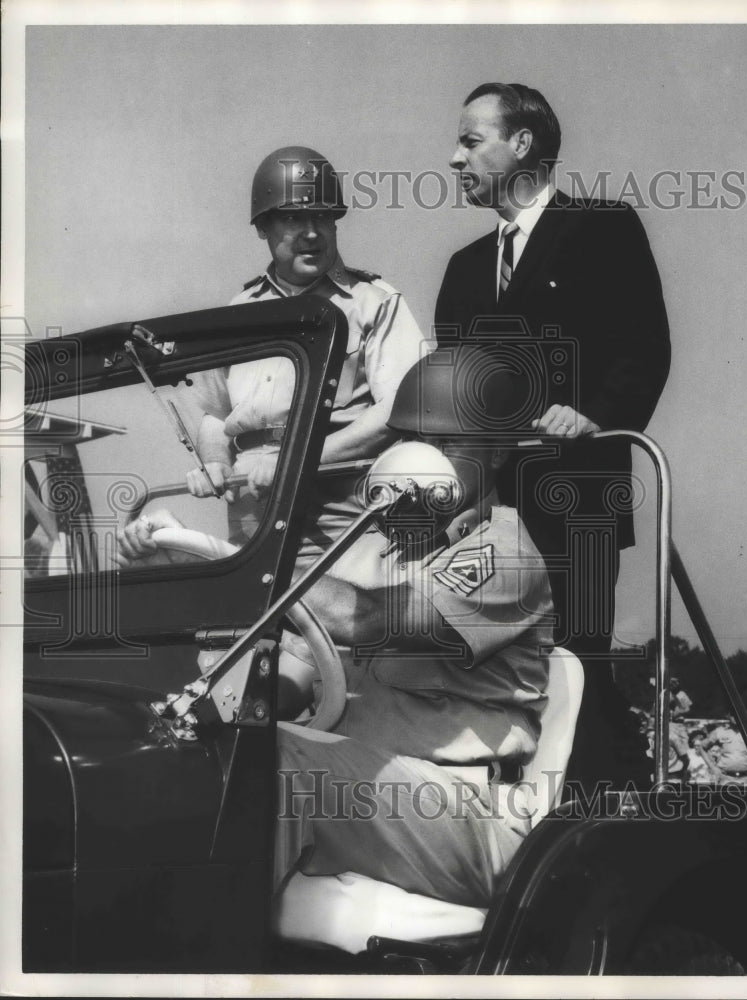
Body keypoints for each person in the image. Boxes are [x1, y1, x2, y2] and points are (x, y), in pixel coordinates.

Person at [116, 347, 556, 906]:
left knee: (273, 763)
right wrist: (179, 571)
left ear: (495, 453)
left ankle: (214, 961)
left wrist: (224, 561)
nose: (425, 461)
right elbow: (293, 677)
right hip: (361, 790)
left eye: (448, 444)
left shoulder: (503, 553)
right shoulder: (369, 548)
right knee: (199, 749)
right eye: (413, 442)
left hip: (462, 809)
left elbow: (372, 621)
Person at [435, 82, 671, 790]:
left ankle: (618, 828)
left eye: (471, 140)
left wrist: (592, 414)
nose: (454, 158)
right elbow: (458, 405)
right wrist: (464, 494)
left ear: (522, 144)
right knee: (492, 672)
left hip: (579, 502)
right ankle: (525, 835)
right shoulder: (463, 270)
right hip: (489, 516)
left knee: (574, 667)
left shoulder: (603, 228)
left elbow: (643, 350)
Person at [187, 145, 428, 571]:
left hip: (343, 517)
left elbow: (400, 409)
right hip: (251, 515)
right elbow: (213, 415)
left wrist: (293, 460)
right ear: (263, 227)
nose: (312, 231)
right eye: (293, 218)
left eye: (322, 216)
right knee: (250, 631)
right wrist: (213, 464)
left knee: (342, 630)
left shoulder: (374, 303)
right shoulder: (235, 312)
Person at [695, 721, 747, 785]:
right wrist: (713, 768)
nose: (734, 717)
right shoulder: (719, 732)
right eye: (732, 714)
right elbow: (702, 747)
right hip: (726, 778)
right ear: (728, 715)